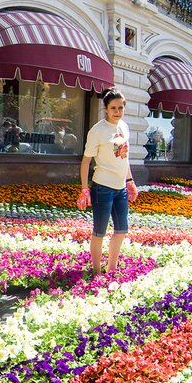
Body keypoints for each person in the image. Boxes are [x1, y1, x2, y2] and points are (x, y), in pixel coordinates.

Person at [77, 89, 138, 276]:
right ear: (106, 109)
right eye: (113, 108)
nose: (117, 111)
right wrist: (85, 189)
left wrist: (130, 180)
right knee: (99, 232)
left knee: (121, 231)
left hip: (121, 189)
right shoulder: (98, 131)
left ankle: (111, 270)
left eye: (120, 107)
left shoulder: (124, 127)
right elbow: (86, 160)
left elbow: (124, 158)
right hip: (102, 187)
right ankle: (96, 273)